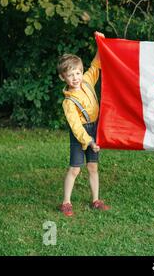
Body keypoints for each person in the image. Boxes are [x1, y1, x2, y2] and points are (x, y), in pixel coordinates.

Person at [56, 31, 110, 217]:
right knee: (75, 169)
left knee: (93, 166)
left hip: (95, 128)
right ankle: (66, 202)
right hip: (81, 134)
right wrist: (88, 141)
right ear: (63, 78)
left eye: (78, 72)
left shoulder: (87, 81)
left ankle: (96, 200)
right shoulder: (69, 101)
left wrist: (100, 43)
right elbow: (76, 126)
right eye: (70, 75)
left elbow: (96, 63)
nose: (76, 77)